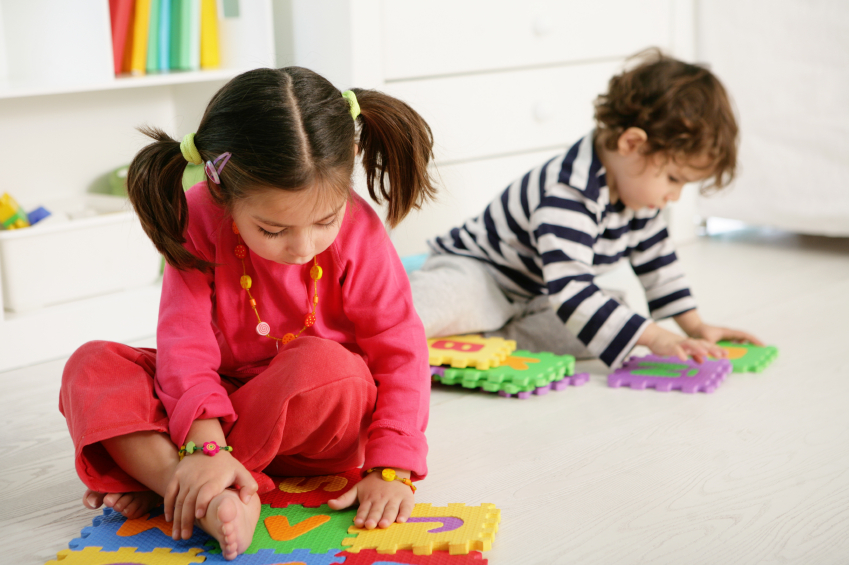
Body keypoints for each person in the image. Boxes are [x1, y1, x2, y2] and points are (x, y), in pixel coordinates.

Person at [59, 67, 436, 560]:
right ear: (224, 194)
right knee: (92, 366)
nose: (303, 247)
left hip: (315, 418)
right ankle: (202, 486)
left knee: (330, 369)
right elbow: (184, 345)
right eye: (273, 230)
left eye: (324, 221)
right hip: (221, 405)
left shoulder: (360, 230)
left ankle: (178, 483)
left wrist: (391, 471)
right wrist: (204, 444)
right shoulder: (198, 217)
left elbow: (400, 348)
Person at [410, 49, 762, 369]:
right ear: (632, 143)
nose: (675, 196)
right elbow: (572, 290)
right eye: (673, 178)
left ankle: (481, 340)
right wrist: (654, 336)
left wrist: (695, 327)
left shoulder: (638, 198)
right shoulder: (569, 191)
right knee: (441, 302)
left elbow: (658, 263)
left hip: (539, 295)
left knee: (612, 317)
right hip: (485, 274)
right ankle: (379, 324)